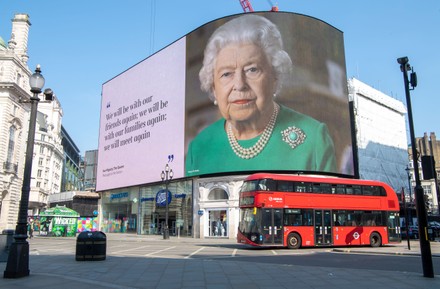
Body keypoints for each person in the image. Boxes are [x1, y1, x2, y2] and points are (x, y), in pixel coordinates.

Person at [185, 14, 337, 176]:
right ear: (214, 87)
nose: (239, 85)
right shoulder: (199, 148)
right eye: (227, 74)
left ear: (274, 76)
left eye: (252, 70)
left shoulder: (313, 139)